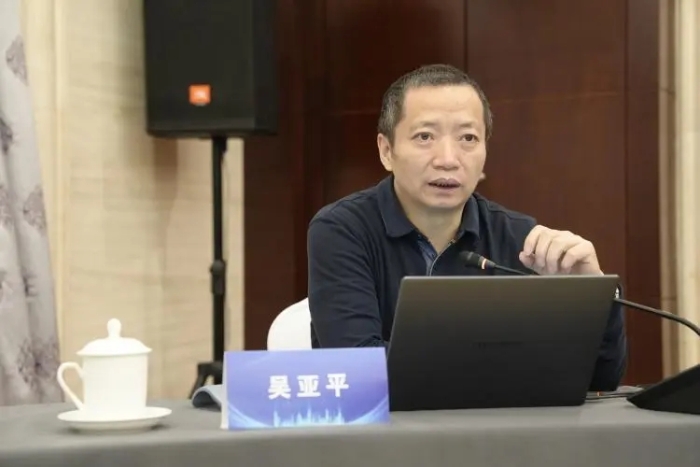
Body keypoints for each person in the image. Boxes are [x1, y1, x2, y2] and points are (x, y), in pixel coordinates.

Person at [306, 64, 626, 391]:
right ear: (387, 151)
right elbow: (356, 368)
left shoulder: (520, 239)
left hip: (496, 425)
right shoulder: (341, 231)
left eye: (468, 138)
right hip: (383, 424)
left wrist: (594, 291)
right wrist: (511, 362)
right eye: (425, 137)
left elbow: (600, 377)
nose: (448, 159)